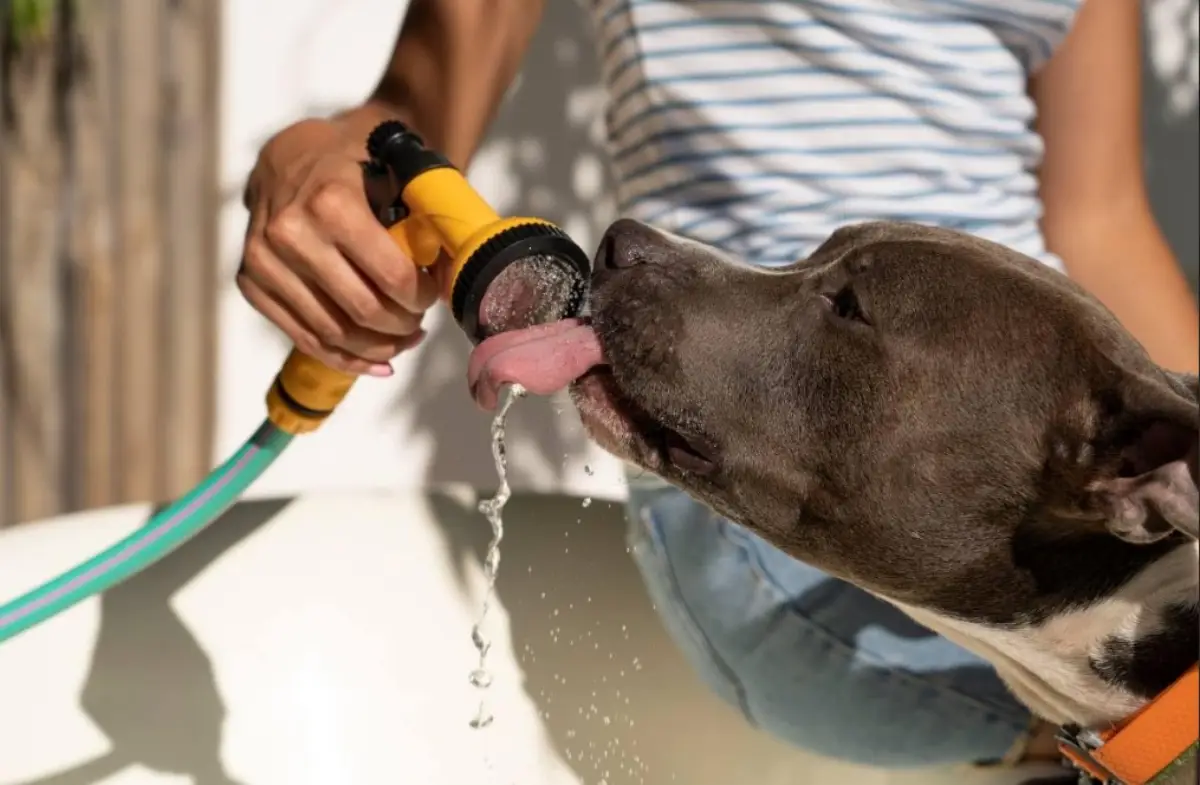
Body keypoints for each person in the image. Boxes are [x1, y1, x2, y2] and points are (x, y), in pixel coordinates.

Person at [236, 0, 1200, 779]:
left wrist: (1177, 468)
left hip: (1030, 474)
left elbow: (1103, 220)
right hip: (786, 490)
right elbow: (400, 117)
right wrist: (313, 162)